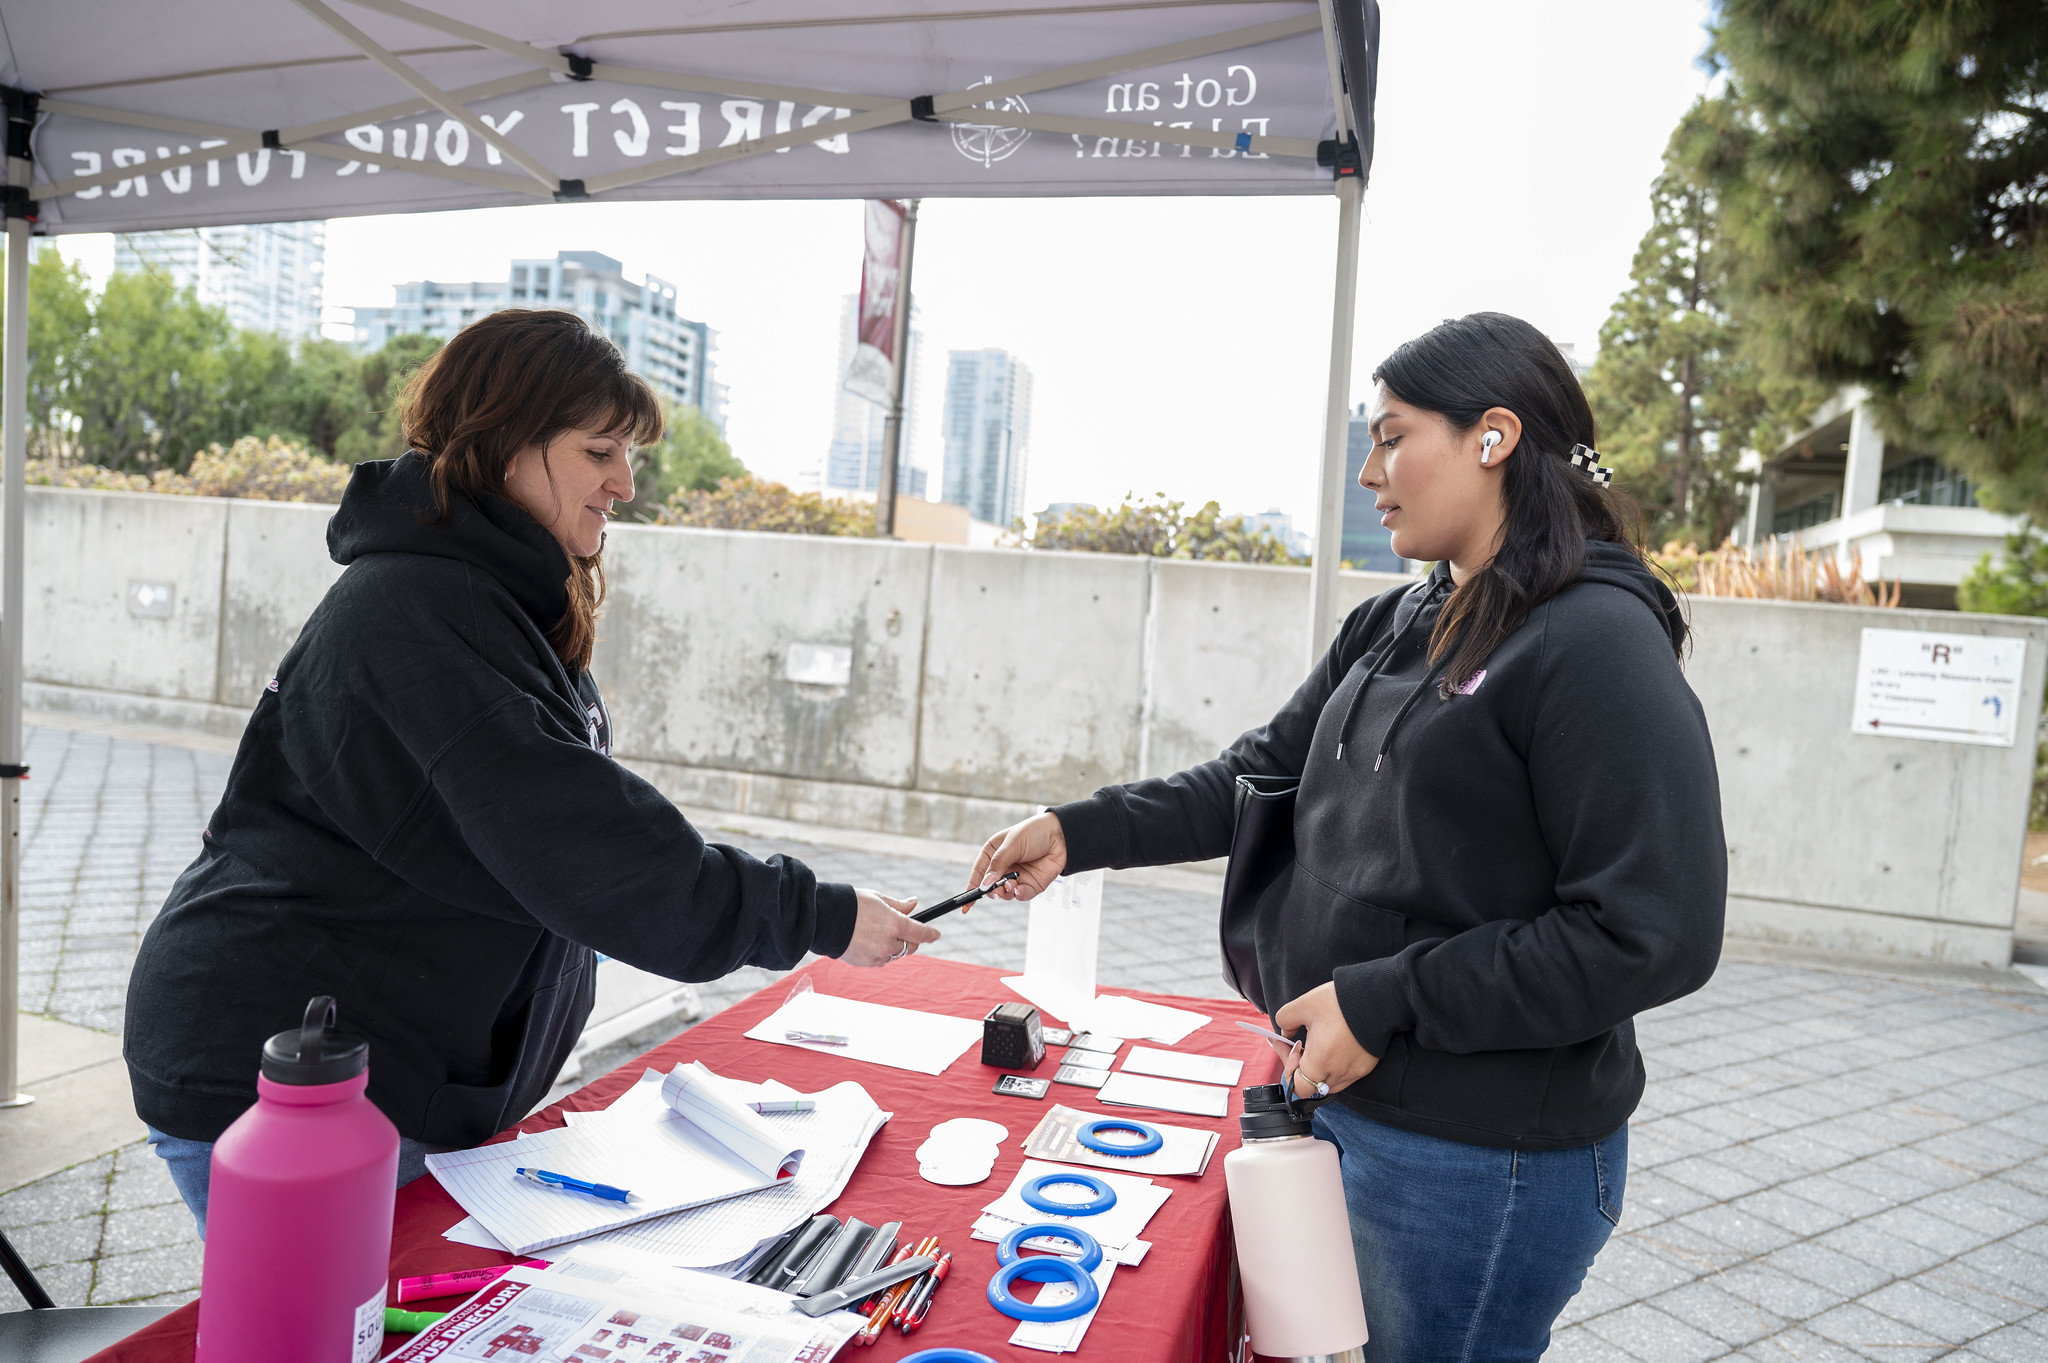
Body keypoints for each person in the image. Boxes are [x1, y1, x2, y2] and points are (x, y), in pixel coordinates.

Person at [972, 314, 1726, 1360]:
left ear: (1491, 437)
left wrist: (1386, 995)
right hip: (1343, 1104)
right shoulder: (1397, 622)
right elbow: (1255, 775)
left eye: (1391, 435)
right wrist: (1078, 829)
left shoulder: (1593, 643)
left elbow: (1653, 931)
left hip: (1477, 1158)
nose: (1369, 470)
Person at [125, 310, 939, 1235]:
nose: (623, 484)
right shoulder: (418, 607)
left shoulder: (485, 599)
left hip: (394, 1076)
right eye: (600, 451)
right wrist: (816, 913)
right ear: (506, 447)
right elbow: (588, 845)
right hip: (289, 1078)